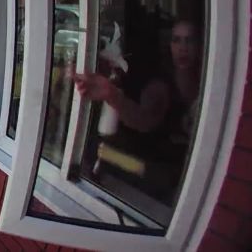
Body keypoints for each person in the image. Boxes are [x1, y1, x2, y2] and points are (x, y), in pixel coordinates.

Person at [74, 20, 202, 199]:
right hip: (169, 179)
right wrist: (112, 95)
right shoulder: (160, 86)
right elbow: (144, 119)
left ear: (200, 45)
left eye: (189, 40)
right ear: (170, 45)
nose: (183, 47)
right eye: (177, 40)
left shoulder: (208, 82)